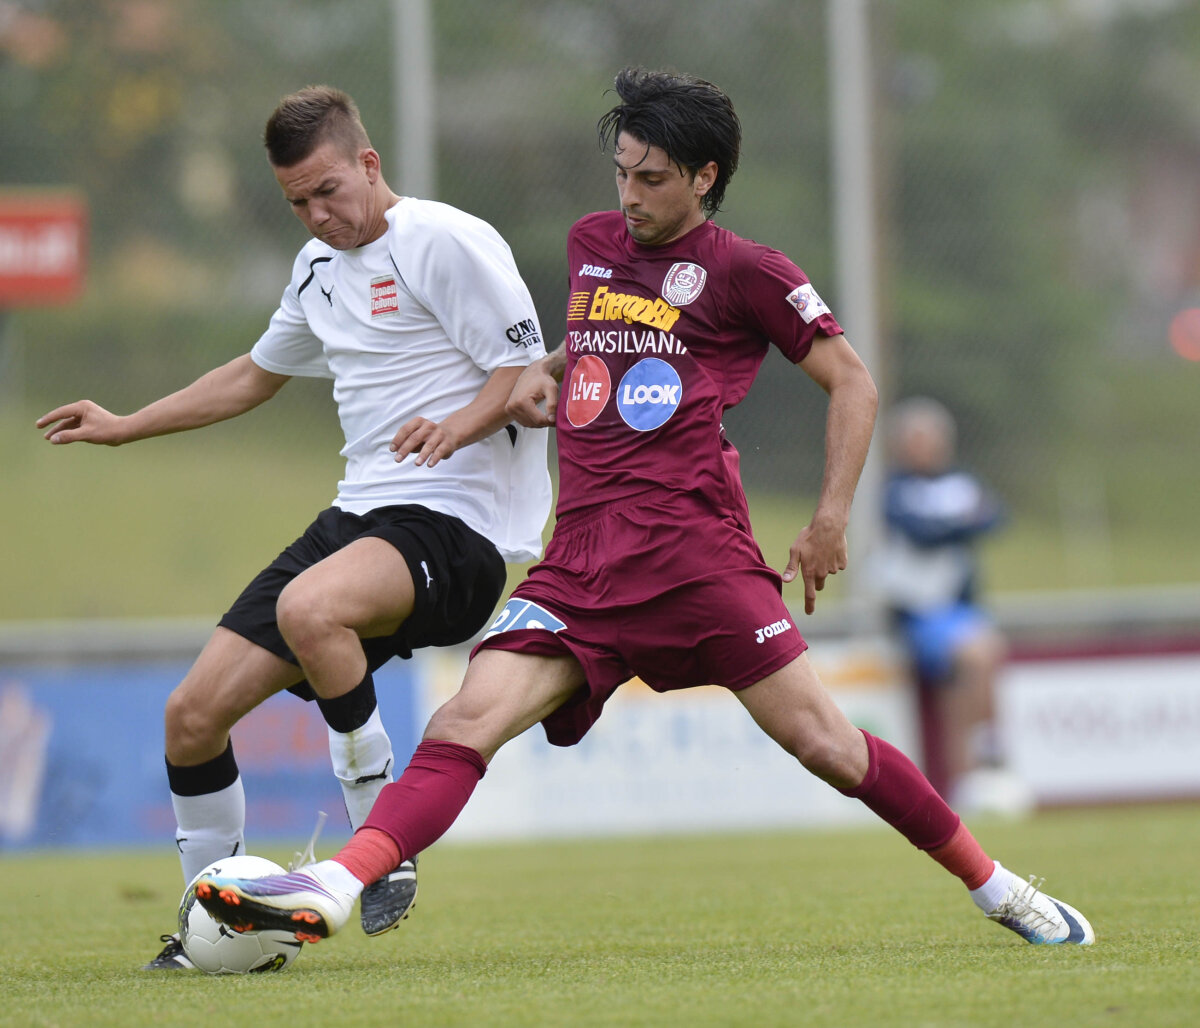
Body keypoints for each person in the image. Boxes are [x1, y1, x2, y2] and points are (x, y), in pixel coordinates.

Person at [194, 68, 1093, 948]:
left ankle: (998, 886)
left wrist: (829, 520)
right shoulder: (593, 243)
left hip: (693, 558)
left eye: (652, 178)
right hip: (580, 563)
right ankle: (338, 886)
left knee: (827, 744)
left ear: (704, 178)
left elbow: (852, 383)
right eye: (622, 172)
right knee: (464, 722)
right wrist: (537, 379)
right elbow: (589, 345)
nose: (629, 195)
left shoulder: (747, 270)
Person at [36, 85, 552, 968]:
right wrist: (125, 425)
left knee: (312, 608)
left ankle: (379, 833)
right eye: (297, 202)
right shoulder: (316, 271)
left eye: (328, 191)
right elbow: (252, 375)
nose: (317, 215)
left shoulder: (445, 240)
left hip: (458, 526)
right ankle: (213, 929)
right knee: (191, 716)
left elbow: (526, 369)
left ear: (369, 164)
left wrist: (457, 427)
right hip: (359, 519)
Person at [876, 397, 1032, 814]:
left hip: (960, 609)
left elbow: (997, 517)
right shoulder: (895, 489)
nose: (924, 448)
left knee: (967, 676)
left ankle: (970, 779)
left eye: (931, 439)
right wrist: (963, 523)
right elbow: (920, 533)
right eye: (916, 440)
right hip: (919, 613)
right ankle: (981, 760)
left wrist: (953, 524)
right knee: (978, 654)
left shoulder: (961, 481)